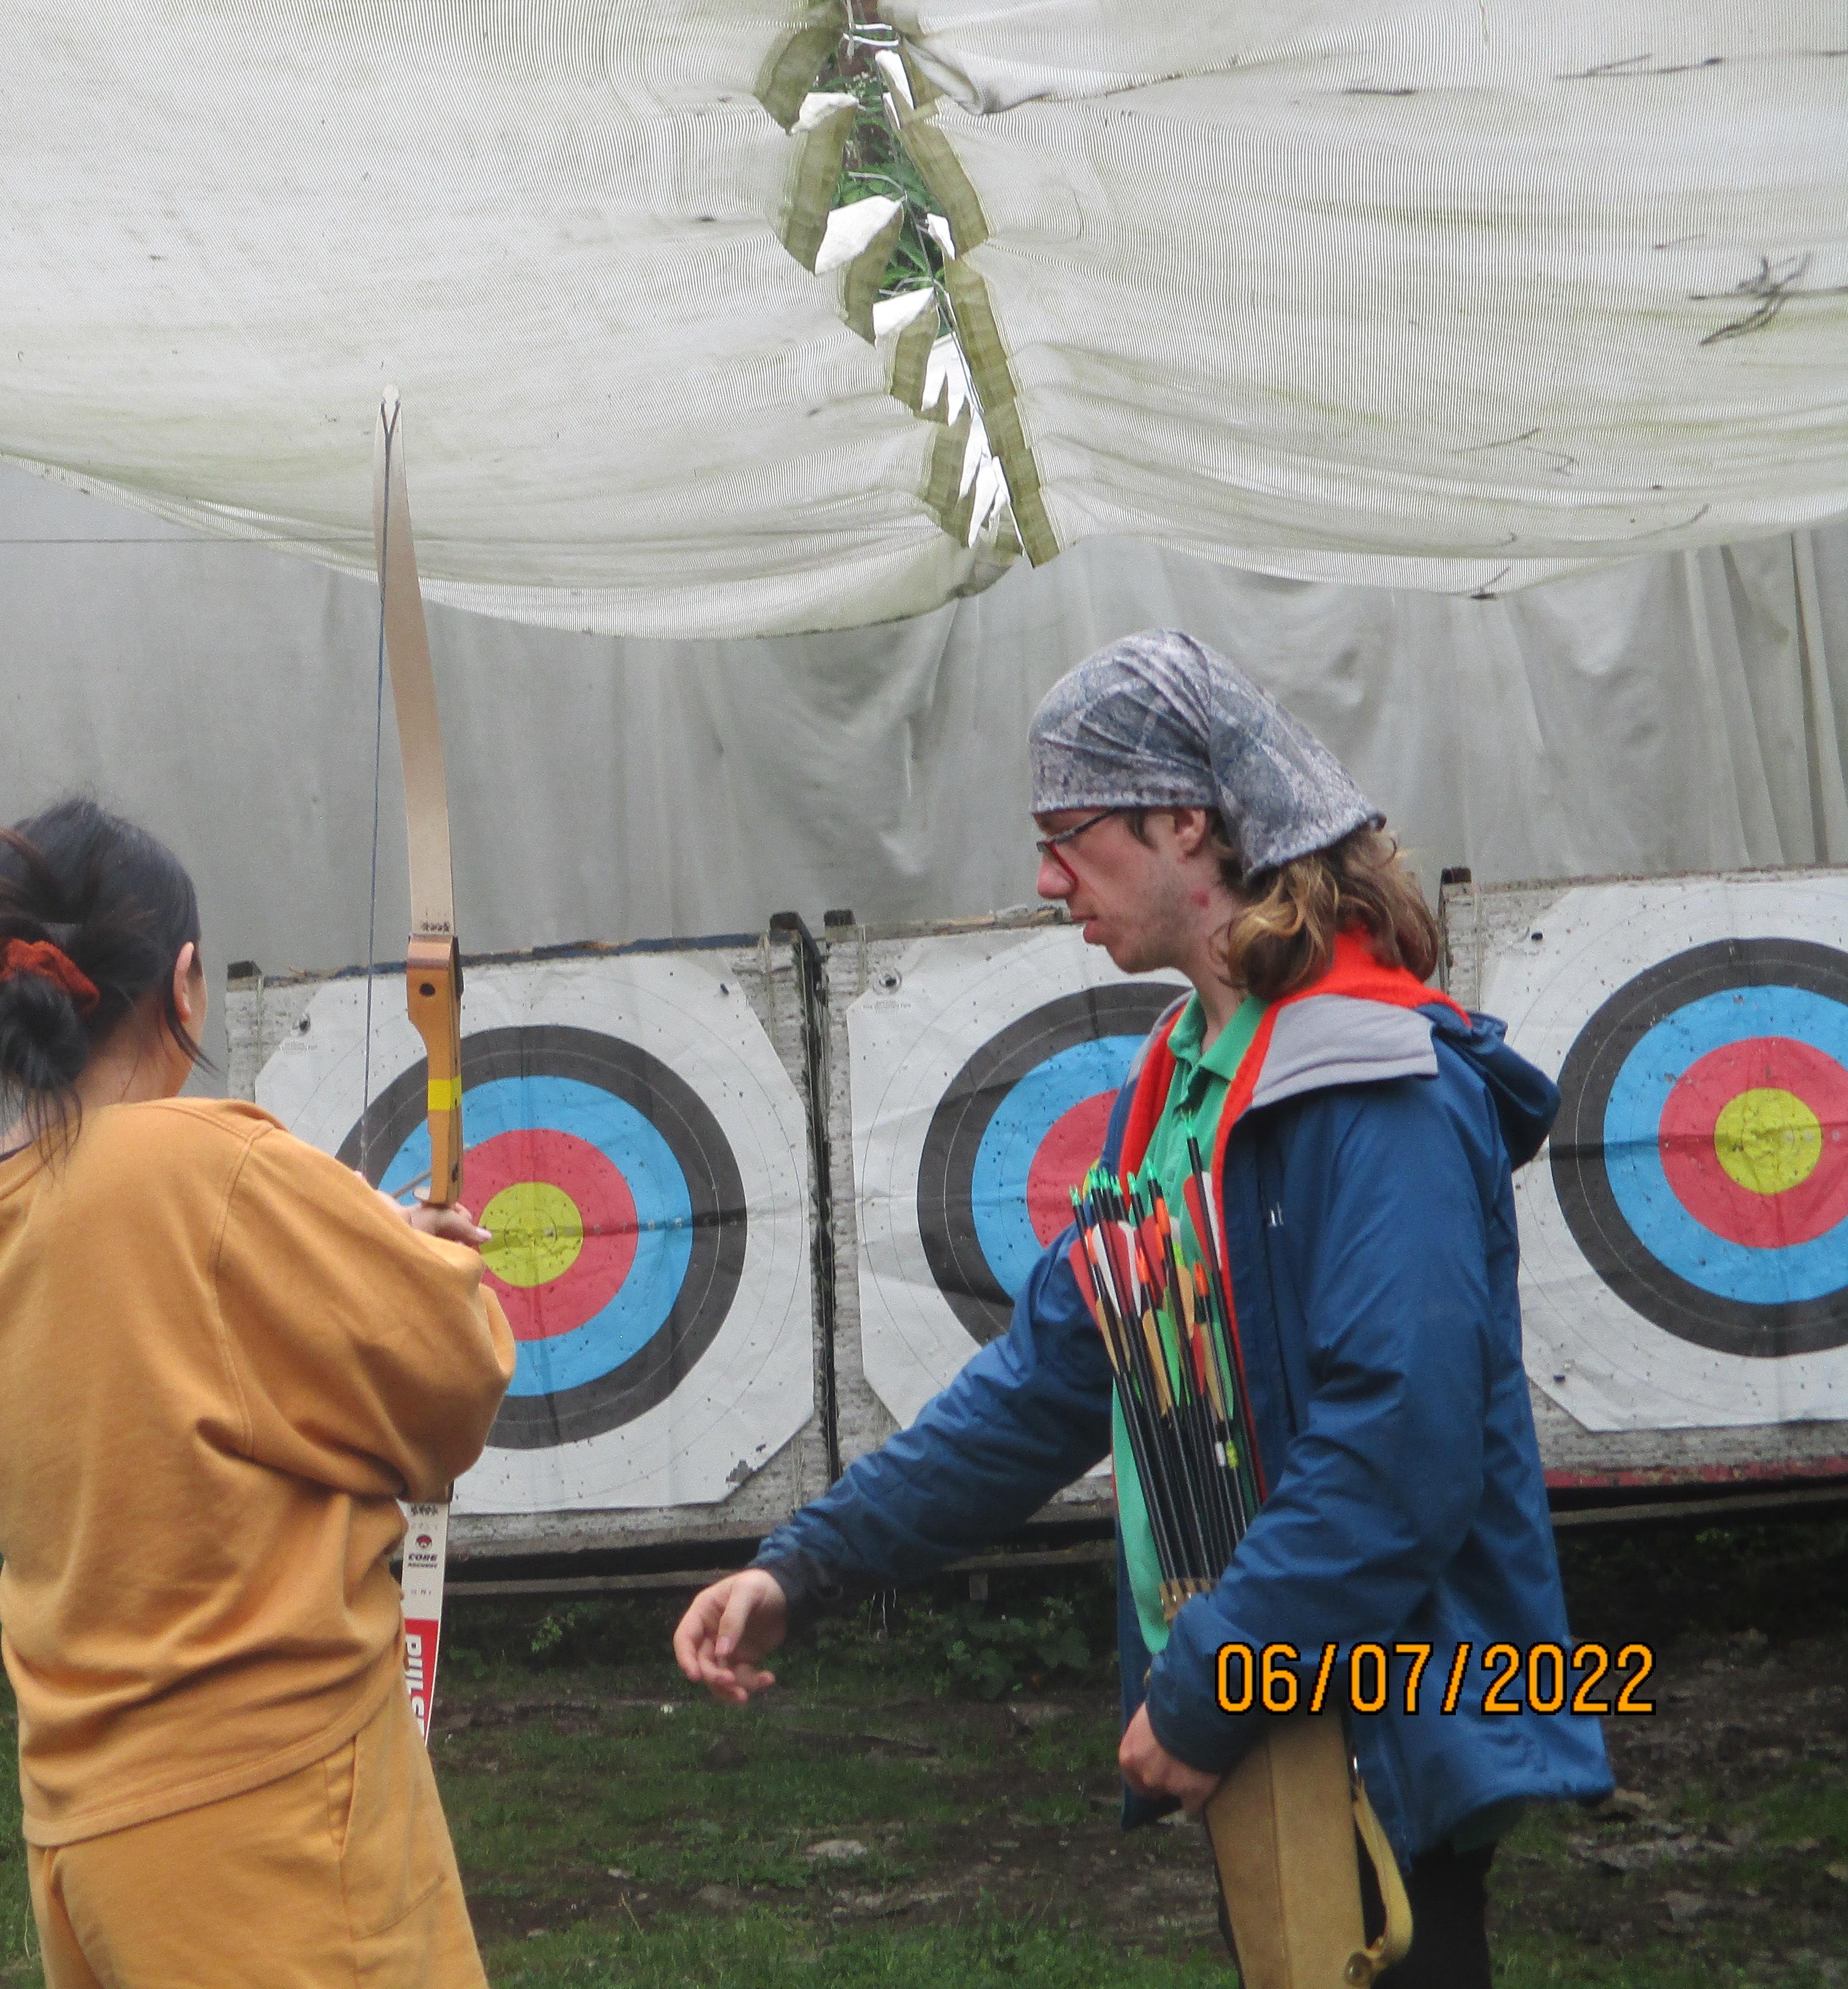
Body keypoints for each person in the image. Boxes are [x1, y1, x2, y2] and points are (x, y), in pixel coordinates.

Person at [674, 631, 1611, 1987]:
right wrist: (802, 1569)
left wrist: (1210, 1683)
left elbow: (1395, 1447)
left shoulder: (1378, 1091)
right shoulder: (1181, 1084)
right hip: (1274, 1710)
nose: (1046, 876)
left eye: (1070, 834)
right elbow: (1045, 1381)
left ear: (1187, 821)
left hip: (1377, 1711)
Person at [0, 796, 514, 1988]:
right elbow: (452, 1380)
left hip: (86, 1835)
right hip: (266, 1824)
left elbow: (161, 1361)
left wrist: (358, 1241)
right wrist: (420, 1261)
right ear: (183, 986)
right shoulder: (204, 1167)